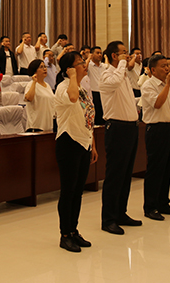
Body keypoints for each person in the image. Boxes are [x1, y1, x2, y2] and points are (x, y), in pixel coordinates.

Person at [53, 51, 97, 252]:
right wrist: (71, 77)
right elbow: (72, 98)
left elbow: (88, 117)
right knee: (68, 191)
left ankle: (73, 230)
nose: (84, 65)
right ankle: (64, 234)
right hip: (68, 142)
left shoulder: (82, 89)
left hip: (84, 143)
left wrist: (92, 144)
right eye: (80, 63)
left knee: (78, 191)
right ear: (69, 69)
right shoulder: (64, 87)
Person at [98, 41, 141, 235]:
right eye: (123, 53)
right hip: (117, 128)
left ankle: (121, 212)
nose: (127, 55)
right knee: (115, 175)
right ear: (114, 56)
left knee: (126, 173)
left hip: (130, 127)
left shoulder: (123, 74)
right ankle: (108, 219)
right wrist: (123, 64)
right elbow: (113, 83)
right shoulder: (106, 74)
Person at [139, 55, 170, 221]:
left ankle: (163, 203)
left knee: (167, 168)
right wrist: (168, 85)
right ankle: (150, 207)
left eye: (168, 65)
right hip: (157, 130)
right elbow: (158, 104)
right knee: (155, 169)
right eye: (163, 66)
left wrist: (169, 85)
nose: (167, 68)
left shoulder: (168, 83)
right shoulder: (148, 85)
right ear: (153, 70)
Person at [24, 59, 55, 132]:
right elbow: (28, 98)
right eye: (41, 67)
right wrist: (34, 82)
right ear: (35, 71)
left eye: (45, 67)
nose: (45, 69)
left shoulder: (47, 85)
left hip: (49, 126)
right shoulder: (31, 84)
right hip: (36, 126)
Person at [86, 46, 106, 125]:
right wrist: (89, 58)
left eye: (101, 53)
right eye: (97, 53)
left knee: (103, 114)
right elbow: (84, 68)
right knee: (95, 114)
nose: (100, 55)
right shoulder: (89, 65)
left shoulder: (103, 66)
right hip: (94, 92)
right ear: (92, 54)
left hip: (103, 92)